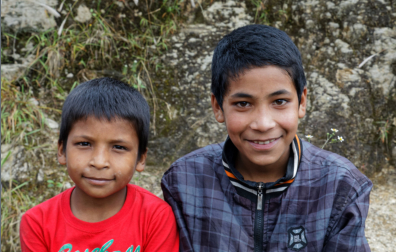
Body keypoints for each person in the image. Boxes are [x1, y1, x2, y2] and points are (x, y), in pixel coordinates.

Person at [161, 25, 372, 251]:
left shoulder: (340, 186)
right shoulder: (185, 182)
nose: (263, 124)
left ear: (302, 101)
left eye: (279, 101)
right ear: (218, 107)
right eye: (243, 104)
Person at [20, 78, 179, 252]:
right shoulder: (37, 223)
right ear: (62, 151)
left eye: (119, 147)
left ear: (141, 158)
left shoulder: (156, 217)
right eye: (84, 144)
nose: (99, 162)